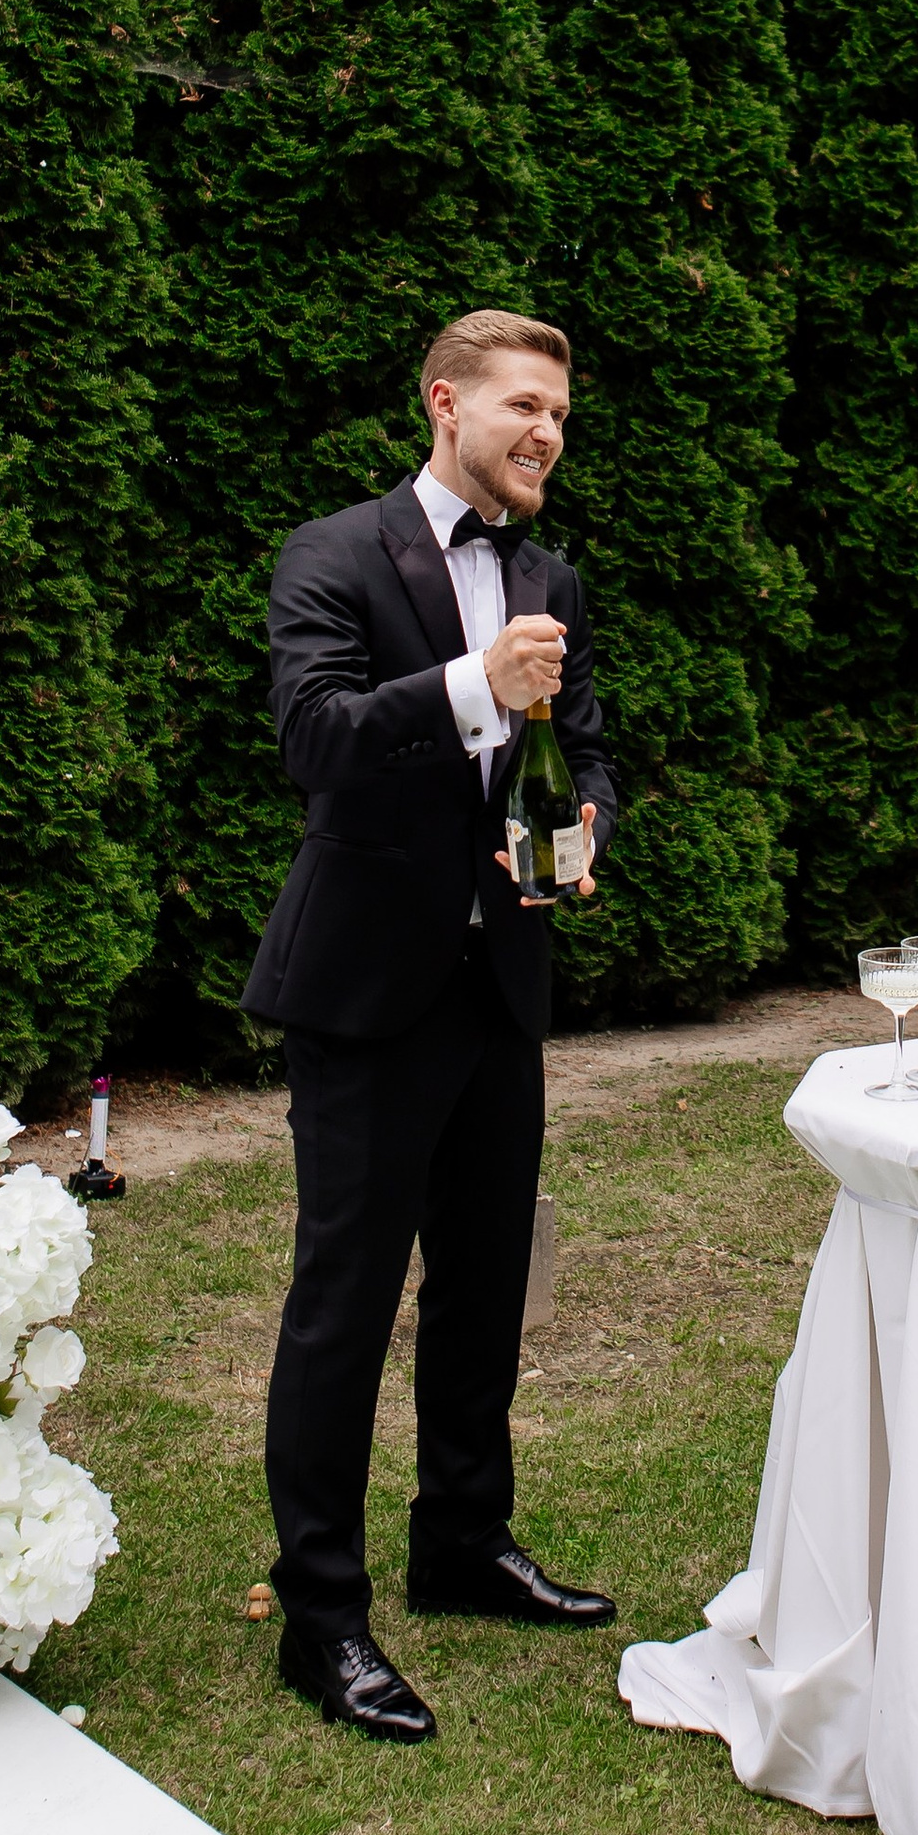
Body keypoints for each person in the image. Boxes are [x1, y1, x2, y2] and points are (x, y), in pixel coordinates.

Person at [245, 310, 620, 1740]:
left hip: (497, 985)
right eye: (526, 405)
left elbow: (586, 738)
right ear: (446, 401)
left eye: (562, 416)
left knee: (481, 1286)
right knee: (344, 1305)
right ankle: (323, 1615)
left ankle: (463, 1543)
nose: (547, 434)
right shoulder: (334, 554)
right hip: (362, 993)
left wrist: (589, 818)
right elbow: (314, 741)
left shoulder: (551, 576)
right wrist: (472, 686)